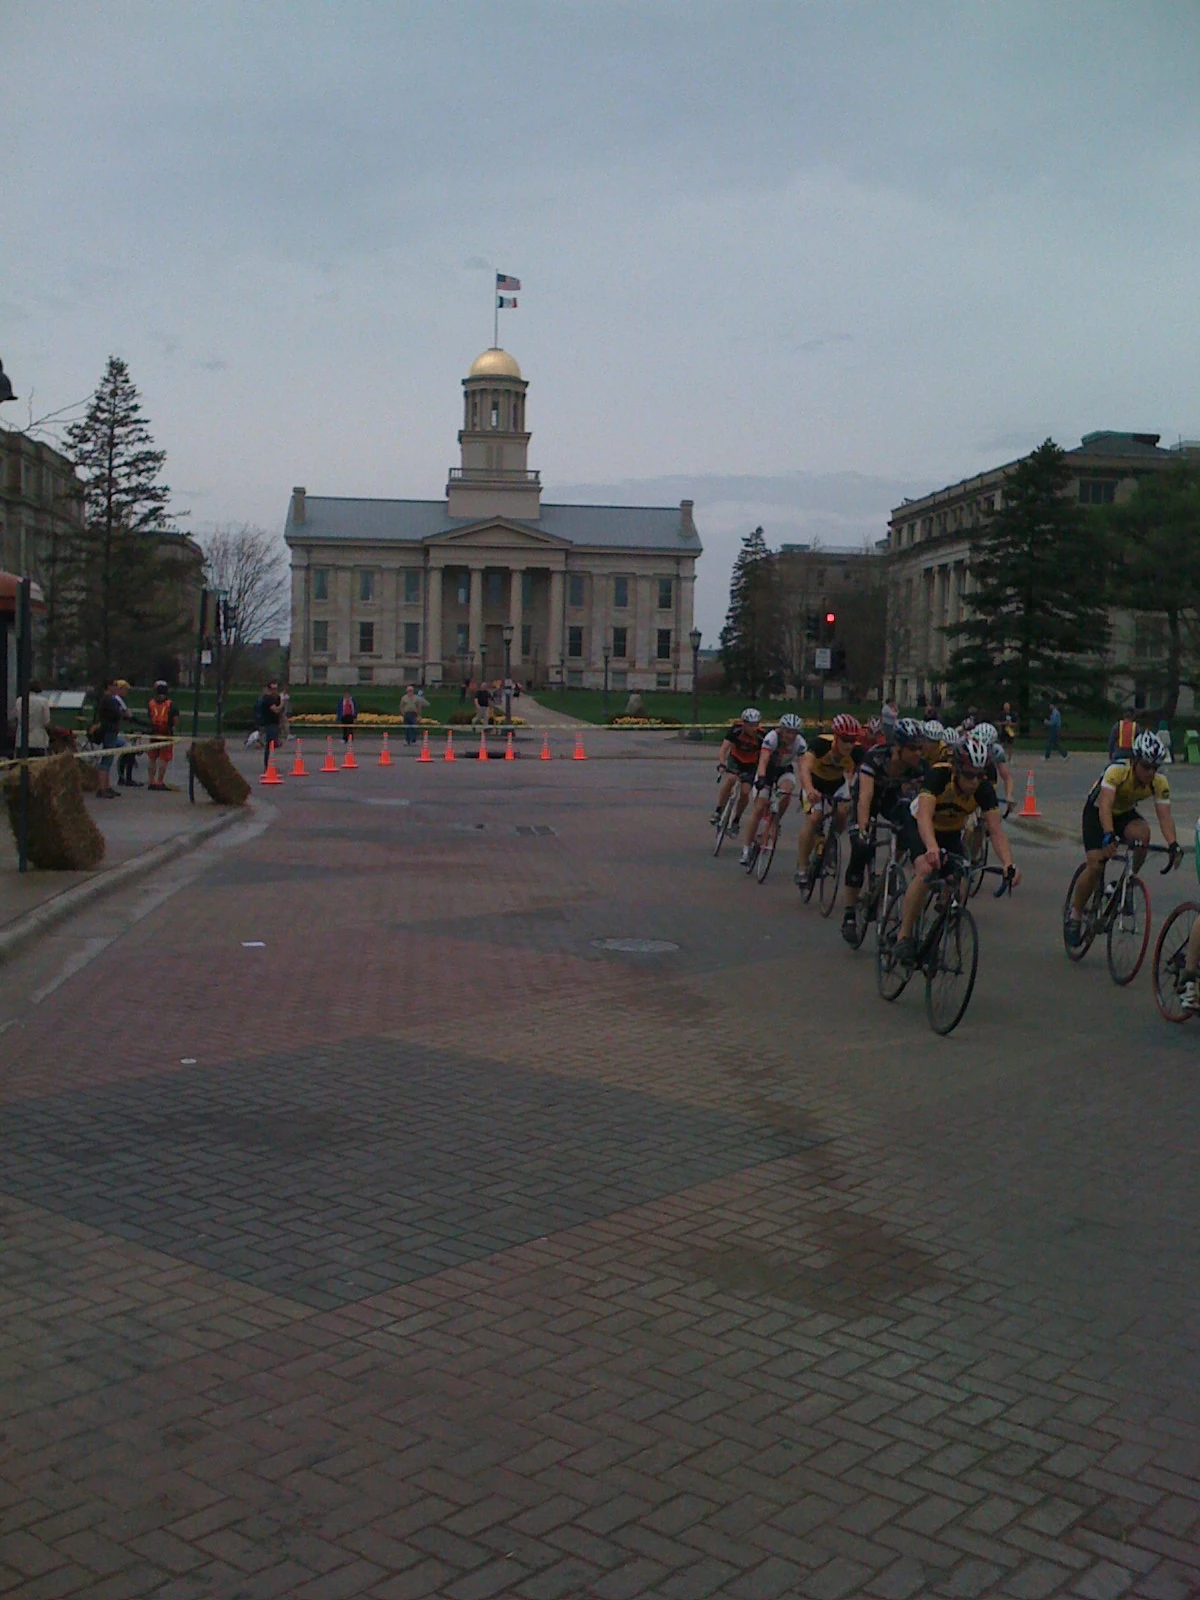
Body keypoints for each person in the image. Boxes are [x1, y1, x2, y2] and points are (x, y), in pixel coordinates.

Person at [890, 734, 1020, 966]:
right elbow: (924, 817)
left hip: (950, 832)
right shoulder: (939, 775)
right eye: (969, 775)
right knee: (925, 871)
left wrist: (1008, 864)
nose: (974, 781)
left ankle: (935, 936)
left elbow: (996, 831)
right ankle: (904, 936)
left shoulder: (983, 789)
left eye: (979, 775)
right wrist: (931, 848)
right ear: (956, 770)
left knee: (959, 883)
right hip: (920, 825)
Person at [1064, 730, 1181, 946]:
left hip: (1124, 813)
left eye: (1154, 768)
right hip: (1097, 812)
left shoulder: (1159, 783)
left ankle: (1125, 883)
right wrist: (1109, 836)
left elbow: (1164, 816)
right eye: (1146, 766)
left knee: (1143, 835)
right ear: (1135, 761)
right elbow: (1105, 805)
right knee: (1096, 866)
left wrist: (1173, 844)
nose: (1150, 773)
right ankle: (1076, 914)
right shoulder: (1117, 771)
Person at [841, 717, 927, 942]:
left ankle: (890, 874)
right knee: (861, 849)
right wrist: (862, 828)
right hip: (868, 796)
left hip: (891, 798)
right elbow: (865, 797)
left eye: (920, 748)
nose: (917, 753)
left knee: (907, 823)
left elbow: (921, 803)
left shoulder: (919, 766)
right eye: (912, 748)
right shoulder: (876, 757)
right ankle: (850, 913)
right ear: (897, 748)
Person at [794, 713, 864, 889]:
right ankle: (802, 868)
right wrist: (809, 790)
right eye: (845, 739)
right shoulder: (820, 744)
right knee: (815, 817)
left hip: (837, 784)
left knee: (843, 812)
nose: (849, 745)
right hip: (815, 783)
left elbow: (864, 776)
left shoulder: (857, 751)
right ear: (836, 736)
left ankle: (832, 842)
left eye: (853, 740)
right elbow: (804, 769)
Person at [739, 714, 806, 866]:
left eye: (794, 732)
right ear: (781, 730)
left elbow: (803, 767)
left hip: (784, 770)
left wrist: (806, 788)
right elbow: (763, 760)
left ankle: (775, 821)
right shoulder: (771, 738)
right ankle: (746, 849)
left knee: (787, 791)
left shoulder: (800, 744)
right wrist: (761, 778)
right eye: (788, 731)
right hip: (767, 771)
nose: (790, 736)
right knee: (759, 808)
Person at [712, 708, 764, 829]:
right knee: (731, 779)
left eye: (756, 725)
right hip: (736, 759)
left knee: (745, 792)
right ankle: (718, 810)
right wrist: (721, 763)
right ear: (744, 724)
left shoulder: (761, 736)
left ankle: (736, 820)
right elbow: (724, 748)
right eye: (750, 725)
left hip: (751, 764)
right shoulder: (736, 730)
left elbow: (765, 756)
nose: (753, 728)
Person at [92, 679, 126, 799]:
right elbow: (117, 714)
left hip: (111, 731)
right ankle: (101, 788)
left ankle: (106, 786)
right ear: (109, 686)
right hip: (109, 731)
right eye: (115, 685)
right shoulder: (108, 699)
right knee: (106, 760)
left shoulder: (108, 699)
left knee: (109, 759)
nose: (117, 688)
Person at [144, 681, 179, 789]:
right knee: (164, 758)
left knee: (152, 758)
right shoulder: (171, 704)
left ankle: (151, 781)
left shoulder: (151, 703)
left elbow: (149, 716)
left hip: (153, 733)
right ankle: (159, 781)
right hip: (166, 733)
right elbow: (175, 720)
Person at [114, 680, 142, 786]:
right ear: (120, 689)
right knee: (130, 749)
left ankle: (122, 778)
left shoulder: (114, 698)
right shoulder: (118, 699)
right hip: (117, 730)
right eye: (125, 689)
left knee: (126, 751)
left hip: (117, 728)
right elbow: (128, 715)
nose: (127, 692)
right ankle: (128, 779)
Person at [13, 678, 50, 758]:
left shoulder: (19, 700)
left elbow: (17, 717)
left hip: (21, 740)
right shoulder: (43, 701)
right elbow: (46, 721)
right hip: (38, 739)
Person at [255, 679, 284, 768]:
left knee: (273, 745)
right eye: (273, 688)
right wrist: (282, 701)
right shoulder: (267, 698)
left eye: (276, 688)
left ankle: (271, 763)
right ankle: (268, 765)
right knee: (270, 745)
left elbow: (280, 712)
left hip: (275, 723)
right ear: (269, 689)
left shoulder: (276, 698)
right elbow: (276, 710)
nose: (275, 691)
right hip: (269, 724)